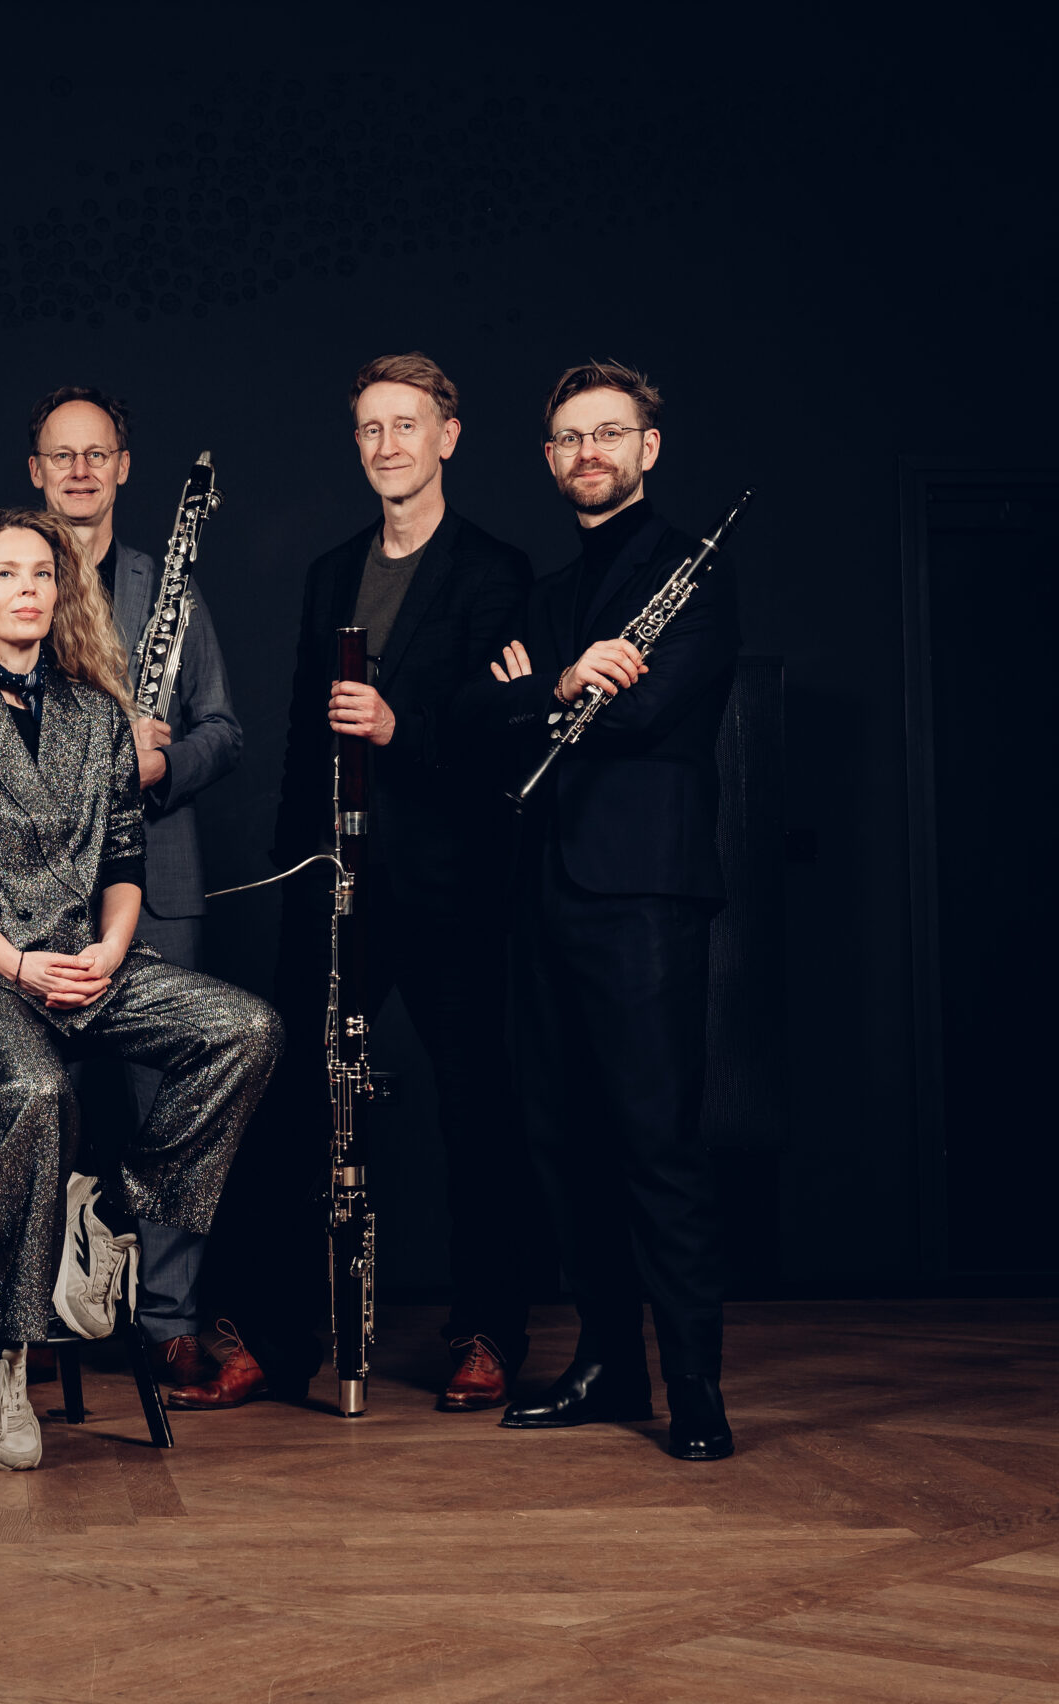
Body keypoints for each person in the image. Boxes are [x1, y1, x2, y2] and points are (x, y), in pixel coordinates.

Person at [0, 509, 282, 1470]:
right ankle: (1, 1343)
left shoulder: (96, 714)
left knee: (247, 1029)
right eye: (5, 573)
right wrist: (15, 965)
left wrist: (110, 950)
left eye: (43, 574)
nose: (28, 589)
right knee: (38, 1089)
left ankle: (109, 1215)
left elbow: (124, 860)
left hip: (77, 959)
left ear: (63, 595)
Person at [190, 351, 539, 1413]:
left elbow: (506, 731)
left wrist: (400, 727)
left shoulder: (496, 572)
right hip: (335, 880)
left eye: (407, 425)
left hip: (450, 882)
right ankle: (270, 1341)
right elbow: (307, 730)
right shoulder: (330, 571)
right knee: (291, 1102)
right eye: (370, 429)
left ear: (448, 437)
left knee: (477, 1106)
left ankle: (488, 1333)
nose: (388, 445)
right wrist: (295, 862)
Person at [484, 359, 740, 1461]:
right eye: (569, 438)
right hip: (542, 893)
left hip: (640, 896)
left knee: (653, 1141)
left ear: (647, 448)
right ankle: (607, 1365)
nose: (588, 452)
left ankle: (694, 1387)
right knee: (561, 1140)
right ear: (550, 459)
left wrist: (546, 692)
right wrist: (555, 685)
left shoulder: (695, 572)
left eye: (609, 433)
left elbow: (649, 715)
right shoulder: (545, 595)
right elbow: (485, 716)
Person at [25, 386, 245, 1393]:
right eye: (60, 455)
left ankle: (168, 1320)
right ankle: (30, 1314)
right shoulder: (7, 578)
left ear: (120, 467)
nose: (79, 471)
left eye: (96, 453)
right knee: (39, 1106)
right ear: (36, 472)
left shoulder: (172, 589)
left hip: (158, 885)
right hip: (38, 891)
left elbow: (222, 731)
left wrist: (160, 765)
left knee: (177, 1110)